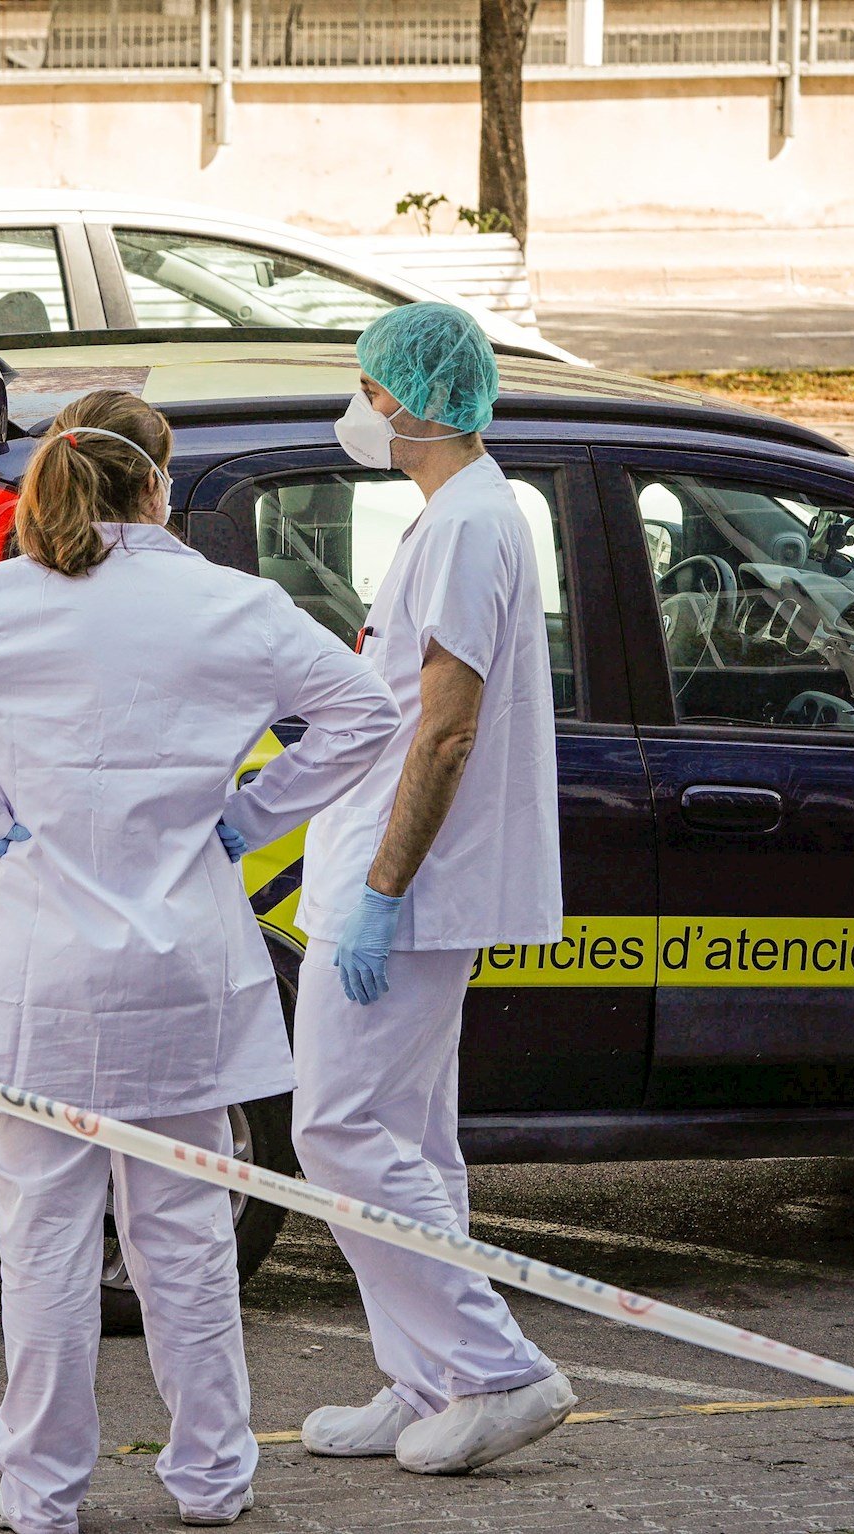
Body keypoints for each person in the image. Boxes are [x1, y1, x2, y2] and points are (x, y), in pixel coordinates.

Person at [0, 391, 397, 1534]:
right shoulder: (230, 603)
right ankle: (211, 1478)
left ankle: (40, 1492)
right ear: (159, 484)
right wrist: (249, 818)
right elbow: (364, 712)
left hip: (32, 976)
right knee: (185, 1240)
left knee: (40, 1241)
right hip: (183, 974)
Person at [289, 302, 578, 1474]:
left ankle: (498, 1369)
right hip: (396, 878)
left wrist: (382, 889)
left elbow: (446, 731)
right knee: (408, 1138)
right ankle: (425, 1378)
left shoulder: (466, 523)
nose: (357, 402)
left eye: (368, 383)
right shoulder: (456, 517)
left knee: (338, 1130)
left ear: (411, 402)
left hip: (405, 887)